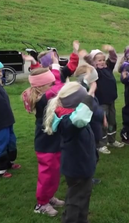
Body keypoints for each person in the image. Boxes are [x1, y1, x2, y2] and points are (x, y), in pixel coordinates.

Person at [42, 82, 97, 223]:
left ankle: (81, 220)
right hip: (77, 167)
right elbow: (80, 119)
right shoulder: (69, 122)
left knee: (83, 196)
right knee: (75, 200)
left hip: (82, 165)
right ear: (78, 103)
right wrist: (89, 96)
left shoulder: (71, 117)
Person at [22, 60, 65, 216]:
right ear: (41, 86)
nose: (53, 86)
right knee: (47, 174)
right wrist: (55, 68)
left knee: (55, 172)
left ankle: (49, 197)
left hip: (53, 140)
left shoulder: (44, 94)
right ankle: (41, 204)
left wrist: (54, 66)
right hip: (45, 143)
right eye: (50, 84)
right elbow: (59, 87)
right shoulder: (43, 100)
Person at [81, 45, 124, 154]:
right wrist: (86, 56)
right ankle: (101, 144)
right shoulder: (95, 71)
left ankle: (112, 140)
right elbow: (90, 61)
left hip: (111, 100)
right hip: (101, 102)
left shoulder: (108, 68)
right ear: (94, 62)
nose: (102, 62)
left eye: (103, 59)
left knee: (112, 121)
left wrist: (111, 50)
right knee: (102, 124)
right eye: (99, 60)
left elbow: (113, 58)